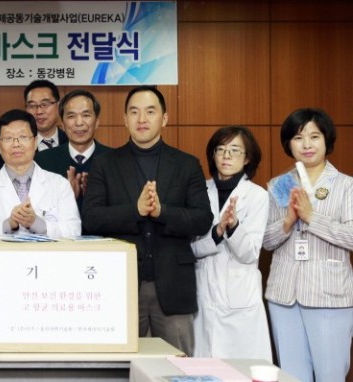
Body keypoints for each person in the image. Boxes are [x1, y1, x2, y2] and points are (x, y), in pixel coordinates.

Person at [80, 86, 212, 356]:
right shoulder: (105, 164)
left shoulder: (187, 164)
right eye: (134, 111)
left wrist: (162, 212)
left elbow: (202, 219)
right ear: (125, 119)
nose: (142, 119)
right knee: (121, 368)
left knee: (177, 368)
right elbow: (90, 219)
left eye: (150, 111)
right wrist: (135, 210)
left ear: (164, 118)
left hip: (173, 287)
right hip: (121, 286)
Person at [264, 108, 353, 381]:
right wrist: (288, 222)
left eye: (314, 137)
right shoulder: (279, 184)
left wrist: (312, 217)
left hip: (329, 295)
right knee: (291, 376)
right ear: (288, 144)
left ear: (327, 140)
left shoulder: (346, 186)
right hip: (283, 295)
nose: (306, 144)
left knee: (330, 375)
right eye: (298, 137)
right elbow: (266, 241)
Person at [190, 126, 271, 361]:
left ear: (247, 159)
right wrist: (216, 233)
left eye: (234, 150)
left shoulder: (257, 196)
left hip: (240, 298)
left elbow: (250, 253)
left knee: (240, 370)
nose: (226, 156)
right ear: (212, 155)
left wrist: (234, 227)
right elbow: (190, 249)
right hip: (202, 296)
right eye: (220, 149)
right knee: (203, 369)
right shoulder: (198, 190)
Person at [0, 109, 80, 239]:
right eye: (8, 138)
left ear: (35, 141)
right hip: (2, 259)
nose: (16, 144)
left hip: (48, 258)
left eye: (23, 137)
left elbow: (74, 231)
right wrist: (8, 224)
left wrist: (37, 223)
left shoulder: (60, 184)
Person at [35, 89, 111, 209]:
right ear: (63, 125)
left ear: (97, 122)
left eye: (86, 115)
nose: (79, 123)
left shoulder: (113, 159)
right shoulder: (43, 161)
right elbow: (37, 211)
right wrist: (65, 197)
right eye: (71, 116)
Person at [0, 80, 68, 175]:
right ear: (26, 108)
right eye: (32, 106)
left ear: (58, 106)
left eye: (45, 104)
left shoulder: (70, 141)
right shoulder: (11, 143)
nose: (39, 111)